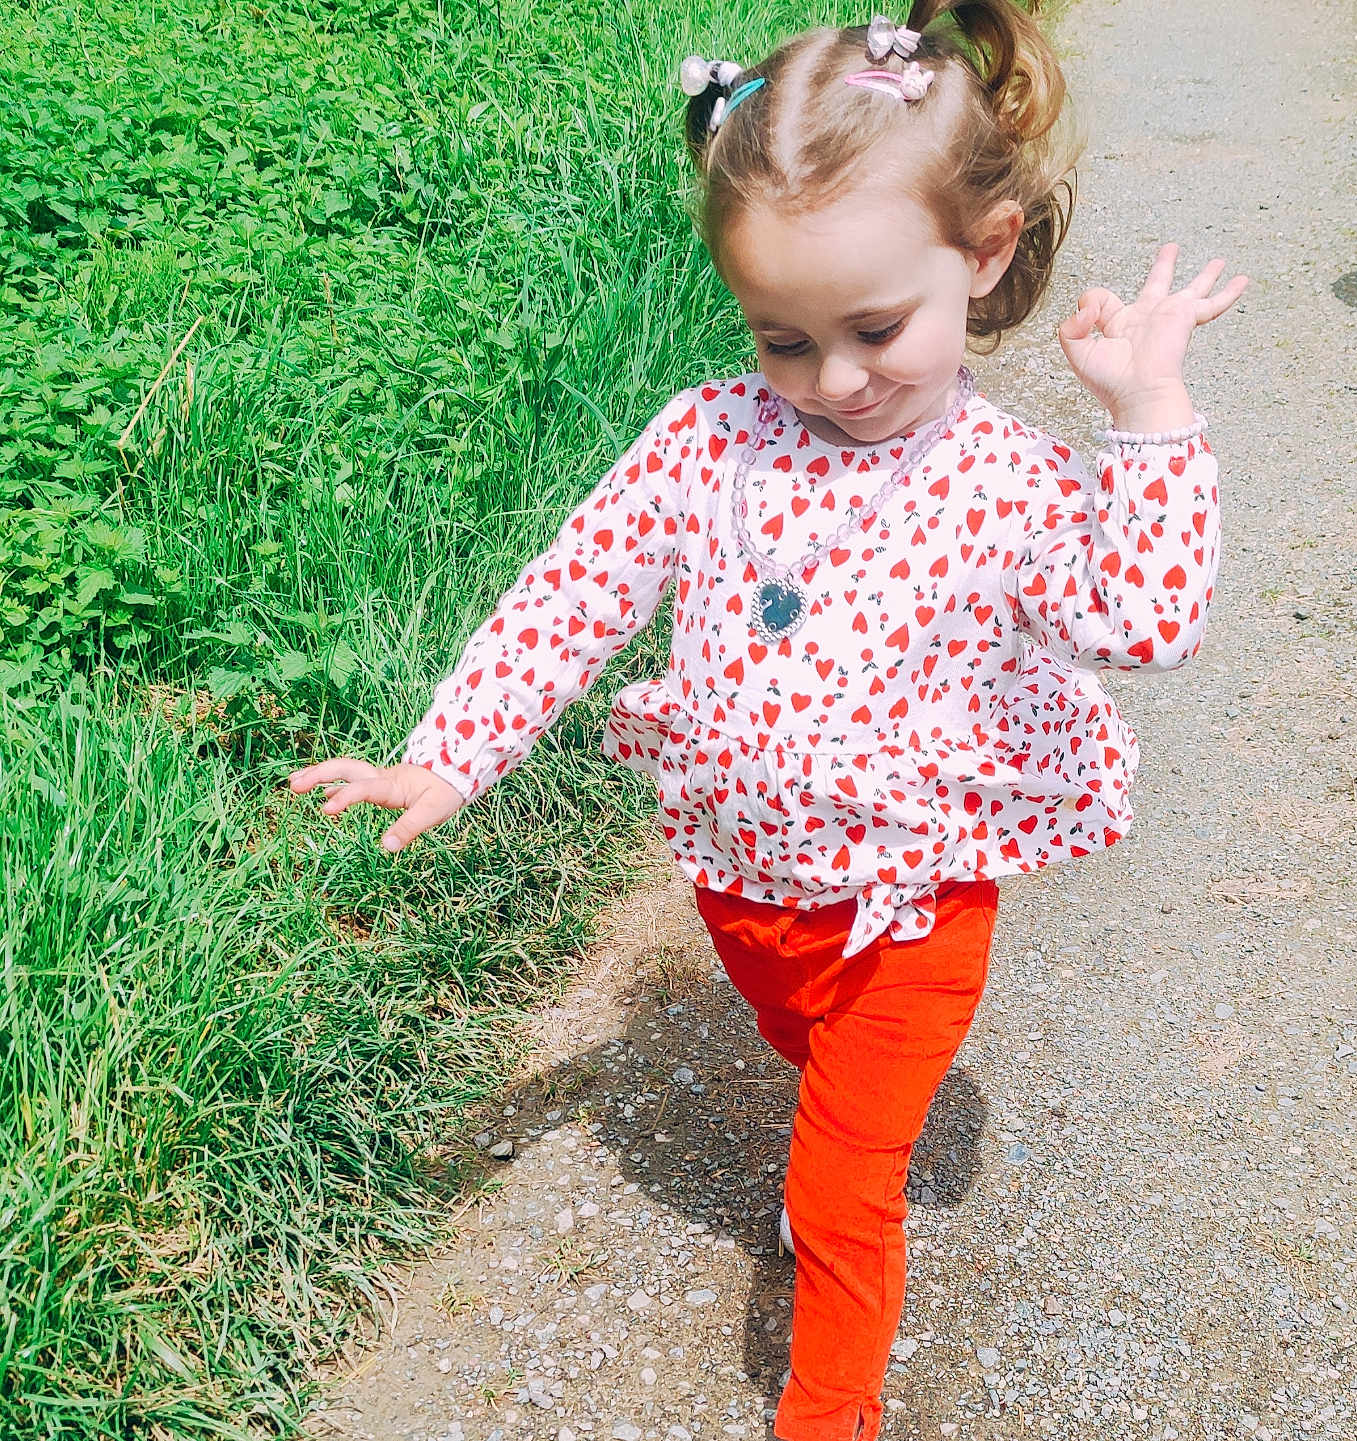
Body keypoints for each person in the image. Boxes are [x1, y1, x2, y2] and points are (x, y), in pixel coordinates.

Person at [290, 1, 1246, 1435]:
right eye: (780, 336)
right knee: (800, 1053)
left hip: (913, 905)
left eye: (873, 329)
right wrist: (453, 748)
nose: (831, 381)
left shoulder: (1009, 481)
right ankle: (840, 1103)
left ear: (980, 257)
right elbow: (578, 590)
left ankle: (828, 1404)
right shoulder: (708, 435)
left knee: (836, 1187)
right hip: (743, 883)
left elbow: (1143, 621)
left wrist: (1150, 417)